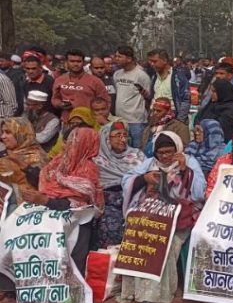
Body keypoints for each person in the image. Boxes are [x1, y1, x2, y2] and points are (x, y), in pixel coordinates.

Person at [120, 132, 206, 303]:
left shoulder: (189, 161)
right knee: (137, 234)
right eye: (161, 153)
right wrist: (144, 178)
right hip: (152, 212)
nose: (165, 156)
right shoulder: (149, 164)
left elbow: (199, 193)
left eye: (169, 152)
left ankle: (155, 294)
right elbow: (127, 180)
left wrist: (184, 171)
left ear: (177, 149)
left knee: (165, 241)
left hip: (180, 215)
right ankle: (135, 290)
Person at [26, 127, 103, 273]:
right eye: (69, 140)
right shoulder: (58, 162)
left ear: (85, 144)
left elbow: (79, 205)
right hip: (51, 214)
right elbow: (46, 185)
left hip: (76, 220)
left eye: (74, 141)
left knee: (72, 260)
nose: (68, 144)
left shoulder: (88, 169)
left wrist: (46, 201)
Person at [93, 121, 145, 248]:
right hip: (107, 202)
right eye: (117, 135)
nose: (123, 140)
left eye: (125, 135)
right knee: (110, 224)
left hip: (134, 198)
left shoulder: (137, 155)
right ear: (106, 137)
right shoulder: (97, 159)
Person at [51, 50, 110, 122]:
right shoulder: (59, 80)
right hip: (66, 121)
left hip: (88, 122)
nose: (76, 64)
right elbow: (55, 98)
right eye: (72, 61)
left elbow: (106, 102)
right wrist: (60, 104)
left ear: (83, 63)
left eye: (79, 61)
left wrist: (101, 119)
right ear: (66, 62)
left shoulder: (95, 81)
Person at [113, 45, 152, 148]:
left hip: (136, 121)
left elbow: (148, 96)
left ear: (129, 59)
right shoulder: (117, 74)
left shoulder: (141, 75)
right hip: (120, 120)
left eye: (119, 56)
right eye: (116, 56)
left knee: (137, 150)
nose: (116, 59)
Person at [0, 117, 48, 189]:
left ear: (21, 134)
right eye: (2, 132)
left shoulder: (37, 157)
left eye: (8, 132)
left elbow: (43, 184)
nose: (2, 136)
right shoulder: (6, 154)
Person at [148, 49, 190, 123]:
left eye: (154, 61)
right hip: (156, 119)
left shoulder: (179, 77)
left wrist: (179, 121)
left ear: (164, 60)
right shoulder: (154, 77)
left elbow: (185, 100)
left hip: (173, 119)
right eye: (150, 61)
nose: (152, 64)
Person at [194, 79, 233, 143]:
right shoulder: (211, 105)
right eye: (211, 91)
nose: (211, 94)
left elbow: (221, 128)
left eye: (214, 91)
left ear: (222, 92)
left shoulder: (231, 111)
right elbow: (198, 118)